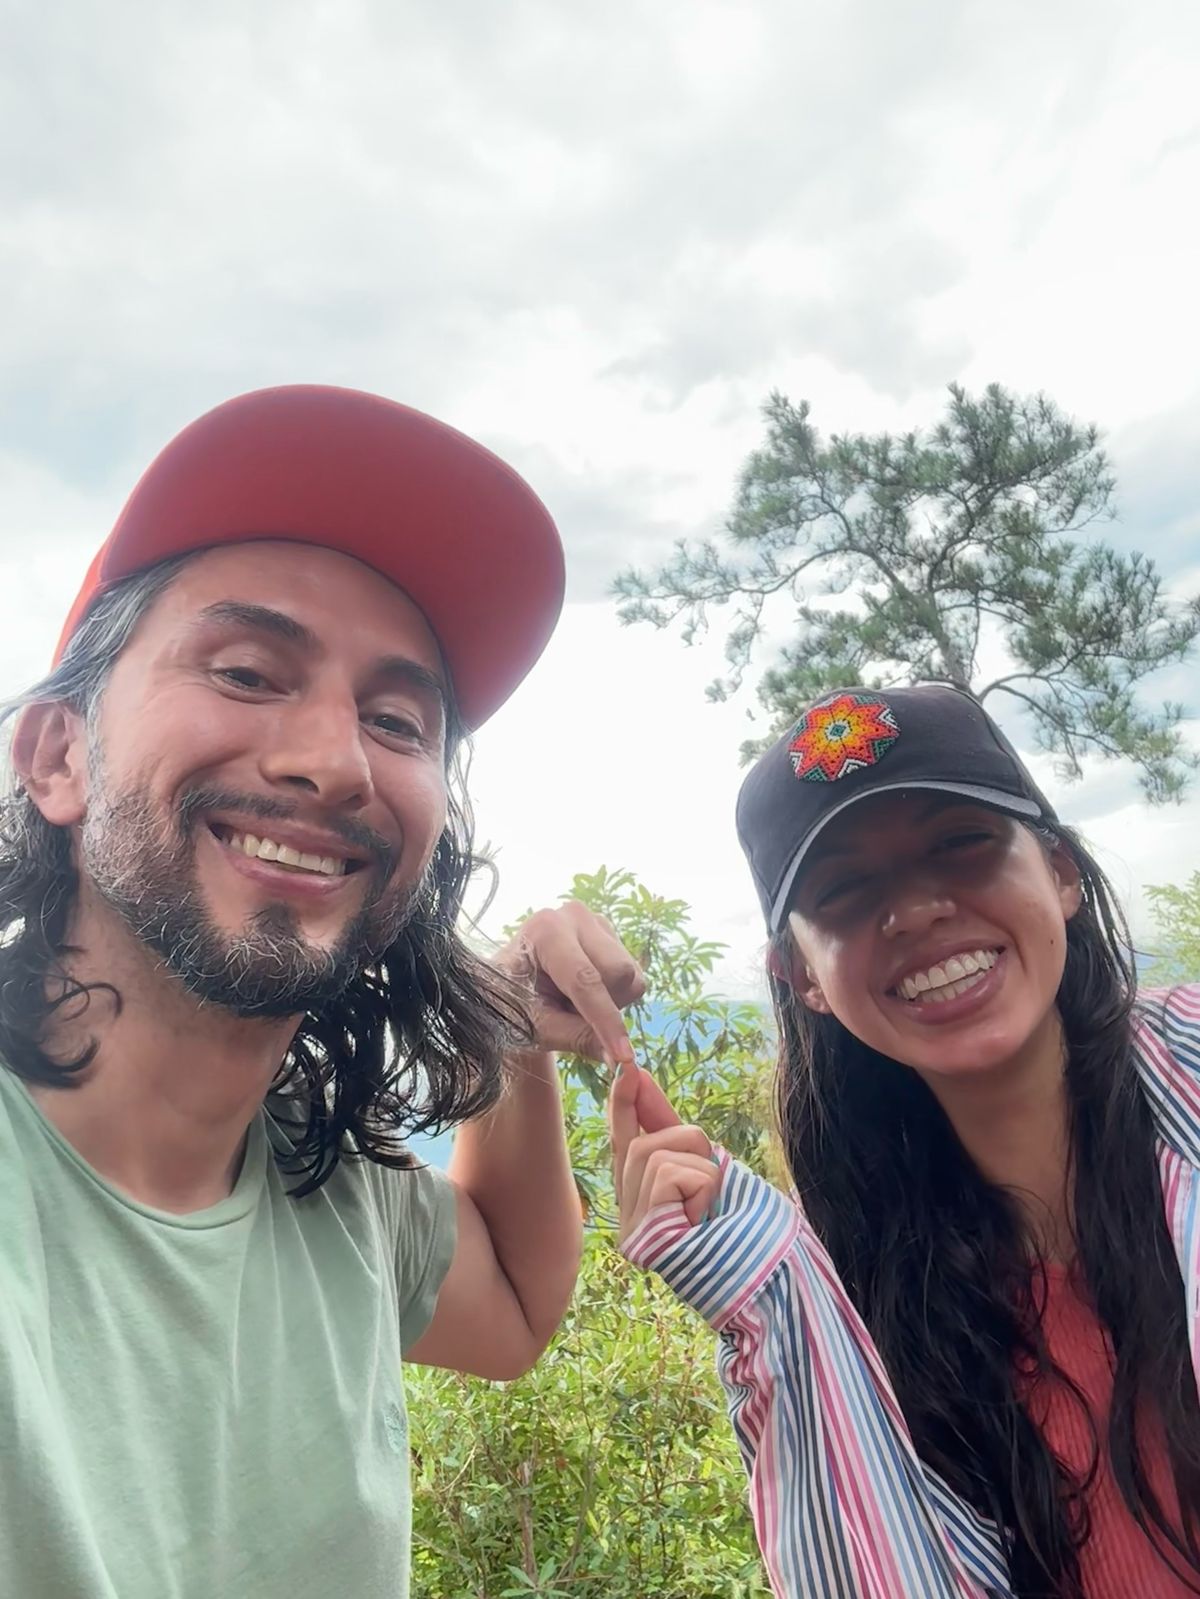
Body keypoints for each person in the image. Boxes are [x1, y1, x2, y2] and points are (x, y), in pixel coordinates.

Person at [0, 385, 644, 1599]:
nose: (335, 761)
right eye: (249, 672)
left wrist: (515, 1027)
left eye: (397, 721)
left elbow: (514, 1306)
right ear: (57, 756)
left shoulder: (331, 1189)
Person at [611, 683, 1200, 1598]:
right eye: (845, 889)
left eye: (961, 842)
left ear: (1060, 871)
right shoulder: (846, 1300)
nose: (917, 910)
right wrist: (764, 1292)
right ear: (801, 975)